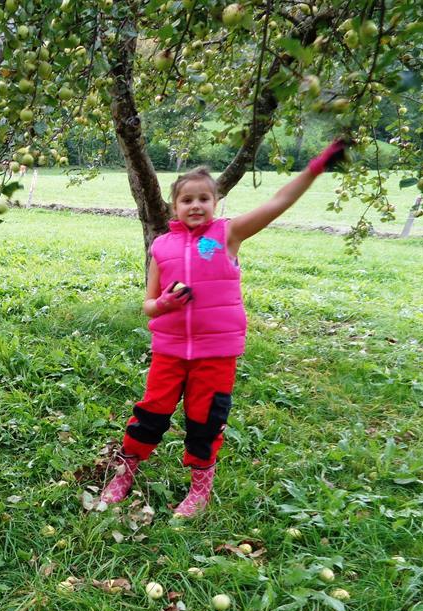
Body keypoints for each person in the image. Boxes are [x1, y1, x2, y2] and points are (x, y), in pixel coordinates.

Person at [100, 140, 349, 518]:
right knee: (150, 413)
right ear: (174, 205)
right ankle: (124, 473)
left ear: (216, 202)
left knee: (206, 420)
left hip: (215, 355)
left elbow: (277, 203)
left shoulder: (228, 235)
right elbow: (148, 304)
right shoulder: (161, 247)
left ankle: (199, 491)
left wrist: (315, 168)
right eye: (187, 199)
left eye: (204, 198)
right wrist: (164, 304)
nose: (195, 205)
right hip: (169, 351)